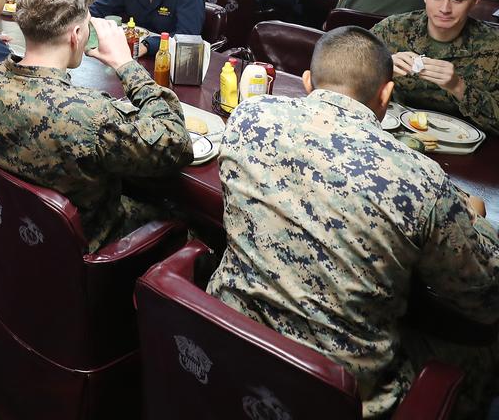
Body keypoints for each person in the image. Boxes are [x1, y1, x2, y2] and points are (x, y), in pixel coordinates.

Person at [207, 26, 499, 420]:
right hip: (340, 394)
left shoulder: (248, 116)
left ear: (308, 82)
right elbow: (484, 297)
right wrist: (473, 219)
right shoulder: (419, 178)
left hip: (228, 341)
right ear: (386, 95)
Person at [0, 0, 192, 253]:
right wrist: (126, 65)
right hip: (81, 253)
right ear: (76, 34)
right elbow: (177, 143)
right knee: (183, 217)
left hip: (1, 235)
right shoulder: (91, 115)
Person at [372, 0, 499, 136]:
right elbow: (343, 80)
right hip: (393, 135)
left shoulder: (494, 46)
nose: (445, 8)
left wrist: (459, 88)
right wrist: (380, 69)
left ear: (475, 1)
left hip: (466, 149)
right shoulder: (393, 29)